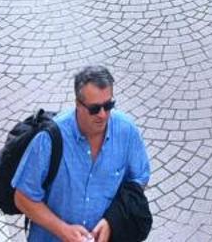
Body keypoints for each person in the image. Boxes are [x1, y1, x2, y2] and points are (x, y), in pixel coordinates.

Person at [13, 66, 151, 242]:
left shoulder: (127, 131)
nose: (102, 115)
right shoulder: (49, 139)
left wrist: (111, 222)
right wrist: (63, 230)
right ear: (78, 104)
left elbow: (138, 180)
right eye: (94, 109)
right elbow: (23, 198)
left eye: (108, 106)